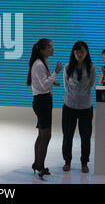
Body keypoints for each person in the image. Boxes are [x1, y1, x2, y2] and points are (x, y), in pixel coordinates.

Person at [27, 39, 63, 178]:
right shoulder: (39, 65)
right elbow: (42, 86)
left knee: (42, 135)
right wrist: (55, 74)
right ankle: (40, 166)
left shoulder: (43, 62)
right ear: (42, 50)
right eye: (49, 47)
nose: (52, 49)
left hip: (43, 101)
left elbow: (43, 82)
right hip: (42, 102)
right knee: (46, 136)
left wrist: (53, 81)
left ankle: (37, 164)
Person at [62, 41, 96, 173]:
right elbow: (66, 85)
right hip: (69, 105)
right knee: (67, 135)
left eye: (82, 51)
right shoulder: (67, 67)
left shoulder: (92, 68)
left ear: (87, 52)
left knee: (85, 136)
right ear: (73, 52)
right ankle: (67, 161)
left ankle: (84, 163)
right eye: (76, 51)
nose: (79, 53)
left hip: (86, 107)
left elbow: (92, 84)